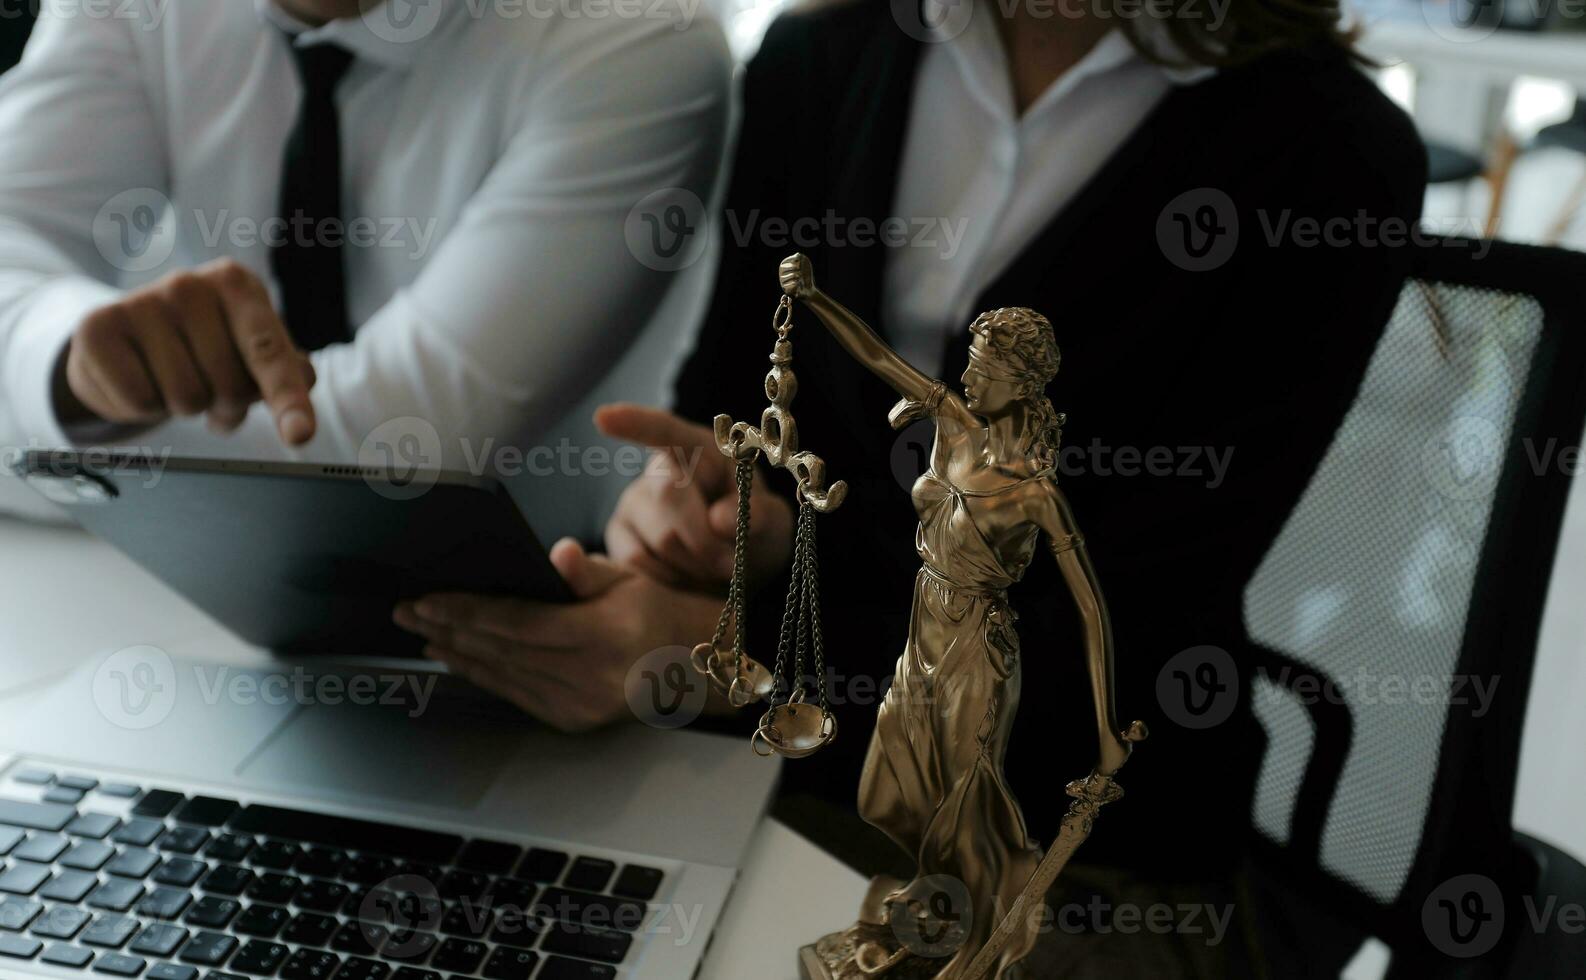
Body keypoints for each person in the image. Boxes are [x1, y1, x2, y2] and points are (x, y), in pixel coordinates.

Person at [395, 0, 1426, 972]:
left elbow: (1114, 646)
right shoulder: (823, 57)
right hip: (760, 770)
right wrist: (717, 516)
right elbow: (735, 407)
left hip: (1066, 852)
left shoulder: (1326, 151)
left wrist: (728, 660)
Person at [0, 0, 731, 523]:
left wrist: (64, 413)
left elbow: (403, 452)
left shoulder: (634, 33)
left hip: (539, 631)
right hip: (166, 594)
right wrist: (68, 362)